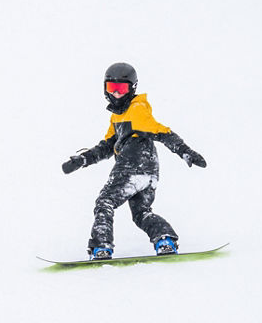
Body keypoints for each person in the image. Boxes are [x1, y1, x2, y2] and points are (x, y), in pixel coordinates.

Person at [61, 62, 207, 260]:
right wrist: (83, 159)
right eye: (112, 88)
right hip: (149, 171)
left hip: (132, 164)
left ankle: (101, 247)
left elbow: (163, 133)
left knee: (105, 202)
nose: (117, 94)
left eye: (122, 89)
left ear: (132, 89)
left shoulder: (137, 111)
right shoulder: (117, 117)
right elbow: (107, 145)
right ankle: (165, 239)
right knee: (141, 213)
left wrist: (185, 151)